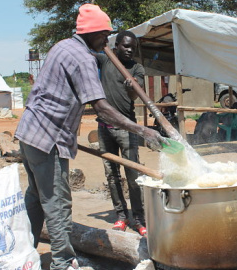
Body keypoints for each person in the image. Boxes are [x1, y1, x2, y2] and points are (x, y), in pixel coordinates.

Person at [14, 4, 166, 270]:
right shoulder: (84, 59)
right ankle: (62, 263)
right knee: (57, 203)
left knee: (36, 196)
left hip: (29, 132)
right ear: (93, 33)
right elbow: (102, 108)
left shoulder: (62, 46)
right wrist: (143, 130)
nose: (107, 41)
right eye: (104, 35)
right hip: (48, 138)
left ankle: (22, 251)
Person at [93, 31, 147, 236]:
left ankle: (139, 219)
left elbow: (136, 94)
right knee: (112, 175)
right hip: (105, 127)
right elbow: (86, 52)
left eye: (133, 47)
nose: (130, 50)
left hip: (127, 129)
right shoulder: (105, 59)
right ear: (116, 45)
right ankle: (121, 216)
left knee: (133, 175)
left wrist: (131, 85)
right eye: (126, 46)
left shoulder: (136, 68)